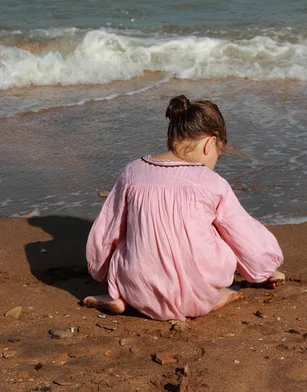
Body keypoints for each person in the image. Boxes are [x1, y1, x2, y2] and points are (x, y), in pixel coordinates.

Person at [82, 95, 285, 321]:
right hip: (197, 292)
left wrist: (102, 273)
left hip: (139, 288)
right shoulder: (212, 182)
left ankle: (119, 297)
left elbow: (107, 231)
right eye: (218, 154)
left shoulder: (133, 171)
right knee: (221, 234)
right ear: (210, 143)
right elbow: (243, 234)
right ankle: (218, 295)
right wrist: (265, 270)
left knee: (130, 242)